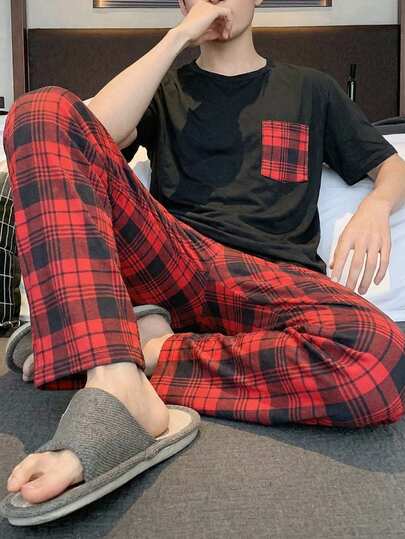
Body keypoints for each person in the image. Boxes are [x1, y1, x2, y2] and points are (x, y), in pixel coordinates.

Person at [3, 0, 405, 509]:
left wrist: (377, 205)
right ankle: (115, 376)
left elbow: (391, 166)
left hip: (270, 280)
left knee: (379, 356)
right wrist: (179, 37)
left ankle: (140, 351)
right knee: (39, 109)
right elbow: (84, 132)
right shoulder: (164, 87)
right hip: (176, 258)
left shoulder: (312, 89)